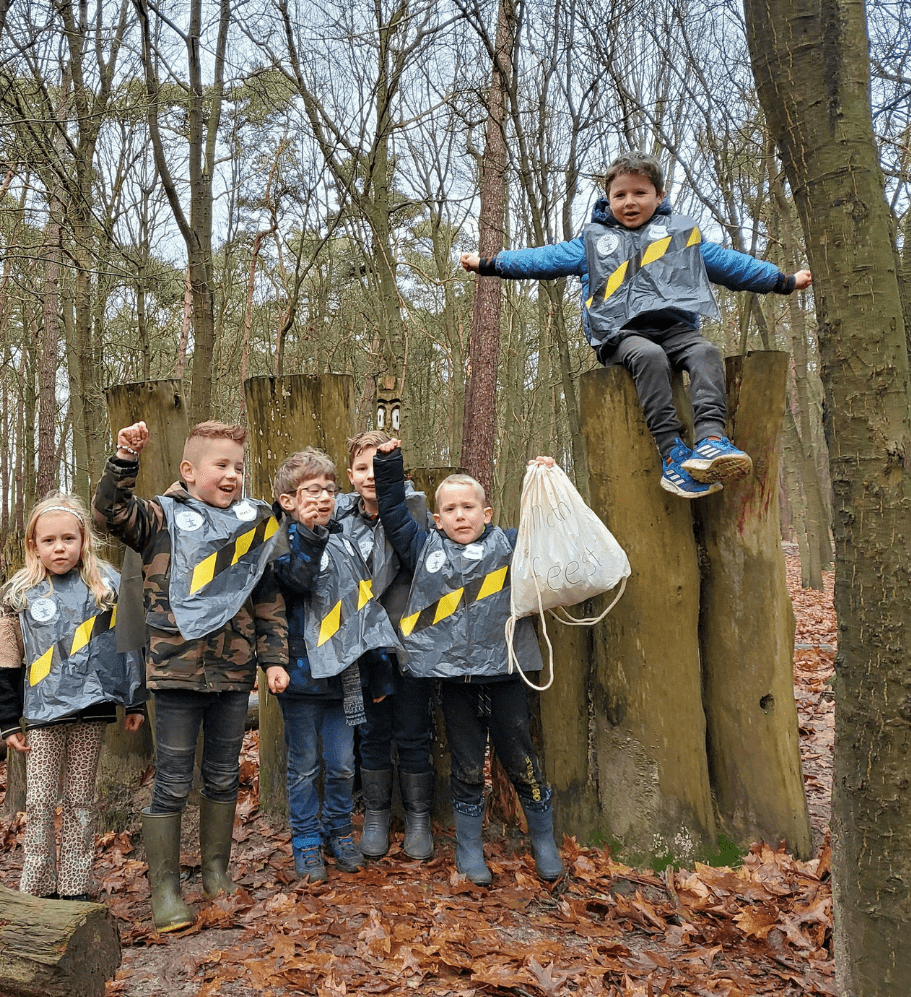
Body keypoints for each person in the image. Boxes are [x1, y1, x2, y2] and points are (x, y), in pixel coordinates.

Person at [461, 150, 813, 498]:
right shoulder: (593, 242)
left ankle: (710, 440)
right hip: (619, 333)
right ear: (609, 199)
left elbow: (730, 264)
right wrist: (490, 263)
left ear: (659, 196)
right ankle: (673, 453)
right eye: (620, 195)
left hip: (675, 329)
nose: (630, 202)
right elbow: (542, 258)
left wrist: (782, 280)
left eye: (640, 193)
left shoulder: (680, 237)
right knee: (650, 357)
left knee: (706, 352)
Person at [93, 420, 287, 932]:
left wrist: (273, 658)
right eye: (221, 466)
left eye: (239, 468)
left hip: (233, 674)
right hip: (175, 674)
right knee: (174, 782)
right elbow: (111, 512)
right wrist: (125, 457)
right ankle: (165, 891)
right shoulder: (159, 517)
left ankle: (216, 874)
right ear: (188, 470)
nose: (232, 476)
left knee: (224, 776)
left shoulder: (252, 523)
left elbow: (267, 598)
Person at [373, 440, 565, 885]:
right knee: (464, 765)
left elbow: (552, 531)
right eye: (451, 509)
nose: (461, 515)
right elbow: (395, 514)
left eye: (468, 507)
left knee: (522, 760)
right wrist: (388, 464)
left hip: (505, 676)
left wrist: (548, 479)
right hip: (454, 681)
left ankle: (544, 840)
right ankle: (469, 848)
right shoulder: (424, 550)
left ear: (487, 512)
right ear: (437, 519)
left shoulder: (512, 544)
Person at [0, 493, 147, 901]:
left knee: (80, 799)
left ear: (83, 540)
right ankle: (37, 887)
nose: (59, 548)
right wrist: (6, 720)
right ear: (33, 545)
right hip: (43, 715)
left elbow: (128, 646)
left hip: (91, 711)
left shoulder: (106, 585)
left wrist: (135, 701)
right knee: (40, 800)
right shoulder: (19, 594)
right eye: (49, 541)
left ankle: (75, 884)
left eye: (68, 539)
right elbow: (5, 660)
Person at [268, 446, 401, 881]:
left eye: (329, 489)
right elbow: (297, 581)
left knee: (344, 764)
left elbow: (366, 611)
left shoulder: (345, 542)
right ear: (288, 500)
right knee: (305, 765)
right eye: (312, 491)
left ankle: (339, 831)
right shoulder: (280, 542)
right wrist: (308, 532)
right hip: (301, 679)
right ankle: (305, 840)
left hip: (345, 680)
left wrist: (379, 669)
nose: (324, 498)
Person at [334, 430, 434, 861]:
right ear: (350, 475)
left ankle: (418, 817)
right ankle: (374, 813)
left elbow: (420, 562)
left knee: (413, 731)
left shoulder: (415, 511)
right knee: (371, 733)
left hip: (407, 642)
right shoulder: (339, 517)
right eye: (361, 468)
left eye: (379, 466)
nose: (370, 476)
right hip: (364, 648)